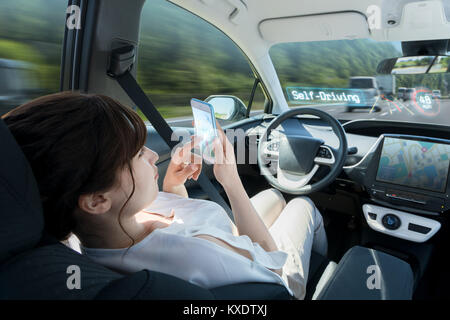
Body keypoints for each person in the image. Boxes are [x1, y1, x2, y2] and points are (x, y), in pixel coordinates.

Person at [2, 92, 327, 299]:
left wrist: (173, 189)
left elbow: (175, 230)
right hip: (274, 283)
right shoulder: (196, 255)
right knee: (301, 203)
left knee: (273, 198)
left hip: (229, 249)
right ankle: (315, 277)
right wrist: (231, 181)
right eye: (134, 154)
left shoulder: (88, 237)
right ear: (96, 201)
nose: (149, 155)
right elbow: (271, 264)